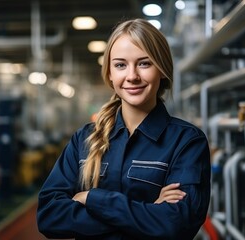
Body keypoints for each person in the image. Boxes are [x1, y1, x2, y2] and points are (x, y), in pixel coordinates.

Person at [37, 18, 211, 240]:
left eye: (144, 63)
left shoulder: (187, 142)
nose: (132, 76)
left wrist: (91, 198)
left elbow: (177, 224)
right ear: (109, 73)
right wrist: (148, 212)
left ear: (163, 70)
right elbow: (49, 216)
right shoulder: (84, 139)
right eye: (120, 65)